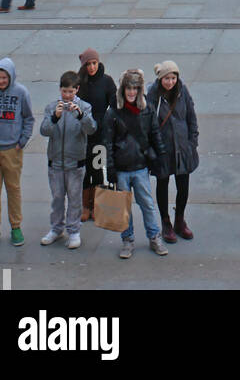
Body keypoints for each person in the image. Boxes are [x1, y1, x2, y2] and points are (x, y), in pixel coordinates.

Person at [100, 69, 168, 258]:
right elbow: (107, 142)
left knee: (147, 204)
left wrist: (161, 157)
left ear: (140, 90)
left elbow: (155, 134)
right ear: (123, 89)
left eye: (135, 89)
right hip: (121, 168)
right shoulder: (113, 112)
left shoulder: (148, 109)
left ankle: (154, 237)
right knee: (124, 207)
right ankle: (127, 240)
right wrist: (110, 168)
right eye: (128, 88)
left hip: (140, 167)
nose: (131, 92)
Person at [39, 71, 96, 250]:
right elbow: (44, 130)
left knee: (74, 198)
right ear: (60, 90)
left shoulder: (85, 107)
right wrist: (54, 118)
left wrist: (80, 115)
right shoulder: (51, 107)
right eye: (64, 91)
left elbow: (91, 129)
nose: (67, 95)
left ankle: (74, 231)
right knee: (57, 198)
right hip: (55, 162)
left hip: (75, 163)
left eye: (71, 92)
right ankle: (56, 229)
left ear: (77, 90)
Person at [0, 57, 33, 248]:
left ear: (10, 77)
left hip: (12, 149)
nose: (1, 81)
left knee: (13, 189)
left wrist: (22, 141)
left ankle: (15, 227)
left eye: (4, 77)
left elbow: (28, 118)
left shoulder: (21, 92)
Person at [147, 61, 199, 244]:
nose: (170, 82)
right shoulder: (153, 96)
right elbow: (149, 123)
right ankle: (166, 222)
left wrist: (193, 143)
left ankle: (179, 219)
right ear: (160, 79)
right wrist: (154, 147)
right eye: (166, 78)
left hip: (183, 148)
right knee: (162, 184)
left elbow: (191, 117)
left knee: (183, 185)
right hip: (163, 149)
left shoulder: (182, 92)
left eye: (173, 78)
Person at [76, 50, 116, 222]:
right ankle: (86, 206)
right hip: (83, 135)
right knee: (85, 171)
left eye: (94, 63)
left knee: (98, 169)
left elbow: (115, 104)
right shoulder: (79, 82)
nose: (92, 67)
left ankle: (97, 205)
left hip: (100, 134)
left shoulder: (107, 81)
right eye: (88, 64)